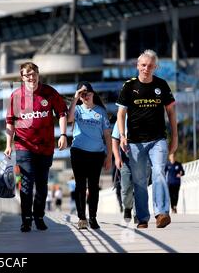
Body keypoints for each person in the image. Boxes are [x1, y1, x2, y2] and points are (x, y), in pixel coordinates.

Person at [117, 49, 178, 229]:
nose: (146, 68)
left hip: (158, 139)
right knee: (140, 181)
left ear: (155, 67)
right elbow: (121, 114)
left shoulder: (162, 85)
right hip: (135, 141)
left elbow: (172, 113)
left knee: (159, 171)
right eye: (143, 65)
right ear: (137, 66)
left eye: (150, 65)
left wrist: (175, 137)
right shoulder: (128, 87)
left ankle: (161, 213)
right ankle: (142, 218)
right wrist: (122, 135)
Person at [4, 62, 68, 232]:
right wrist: (8, 145)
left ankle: (39, 216)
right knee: (26, 184)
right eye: (27, 75)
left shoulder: (49, 92)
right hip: (24, 146)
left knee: (41, 185)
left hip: (46, 147)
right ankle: (26, 219)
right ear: (22, 77)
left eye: (34, 74)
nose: (31, 78)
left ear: (38, 74)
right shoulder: (16, 96)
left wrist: (62, 135)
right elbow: (10, 122)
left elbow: (62, 113)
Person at [68, 81, 112, 230]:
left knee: (93, 186)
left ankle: (93, 217)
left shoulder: (101, 111)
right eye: (82, 94)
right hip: (78, 152)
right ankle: (82, 218)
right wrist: (75, 98)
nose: (85, 96)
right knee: (80, 185)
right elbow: (69, 118)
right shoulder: (78, 109)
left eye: (88, 93)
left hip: (96, 154)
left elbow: (107, 136)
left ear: (93, 94)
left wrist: (109, 156)